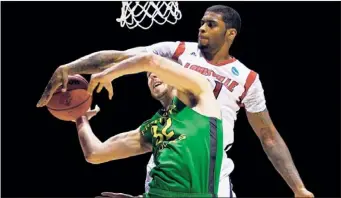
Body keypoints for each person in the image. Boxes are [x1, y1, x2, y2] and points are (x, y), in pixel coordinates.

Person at [36, 4, 313, 198]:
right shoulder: (180, 52)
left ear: (230, 34)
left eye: (211, 24)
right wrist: (72, 70)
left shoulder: (246, 79)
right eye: (202, 22)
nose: (202, 28)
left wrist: (297, 187)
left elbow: (269, 136)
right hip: (168, 143)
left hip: (209, 163)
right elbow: (125, 57)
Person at [74, 53, 225, 197]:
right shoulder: (152, 127)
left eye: (157, 72)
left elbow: (150, 61)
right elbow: (95, 154)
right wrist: (79, 117)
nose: (152, 75)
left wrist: (108, 73)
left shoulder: (200, 94)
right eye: (148, 75)